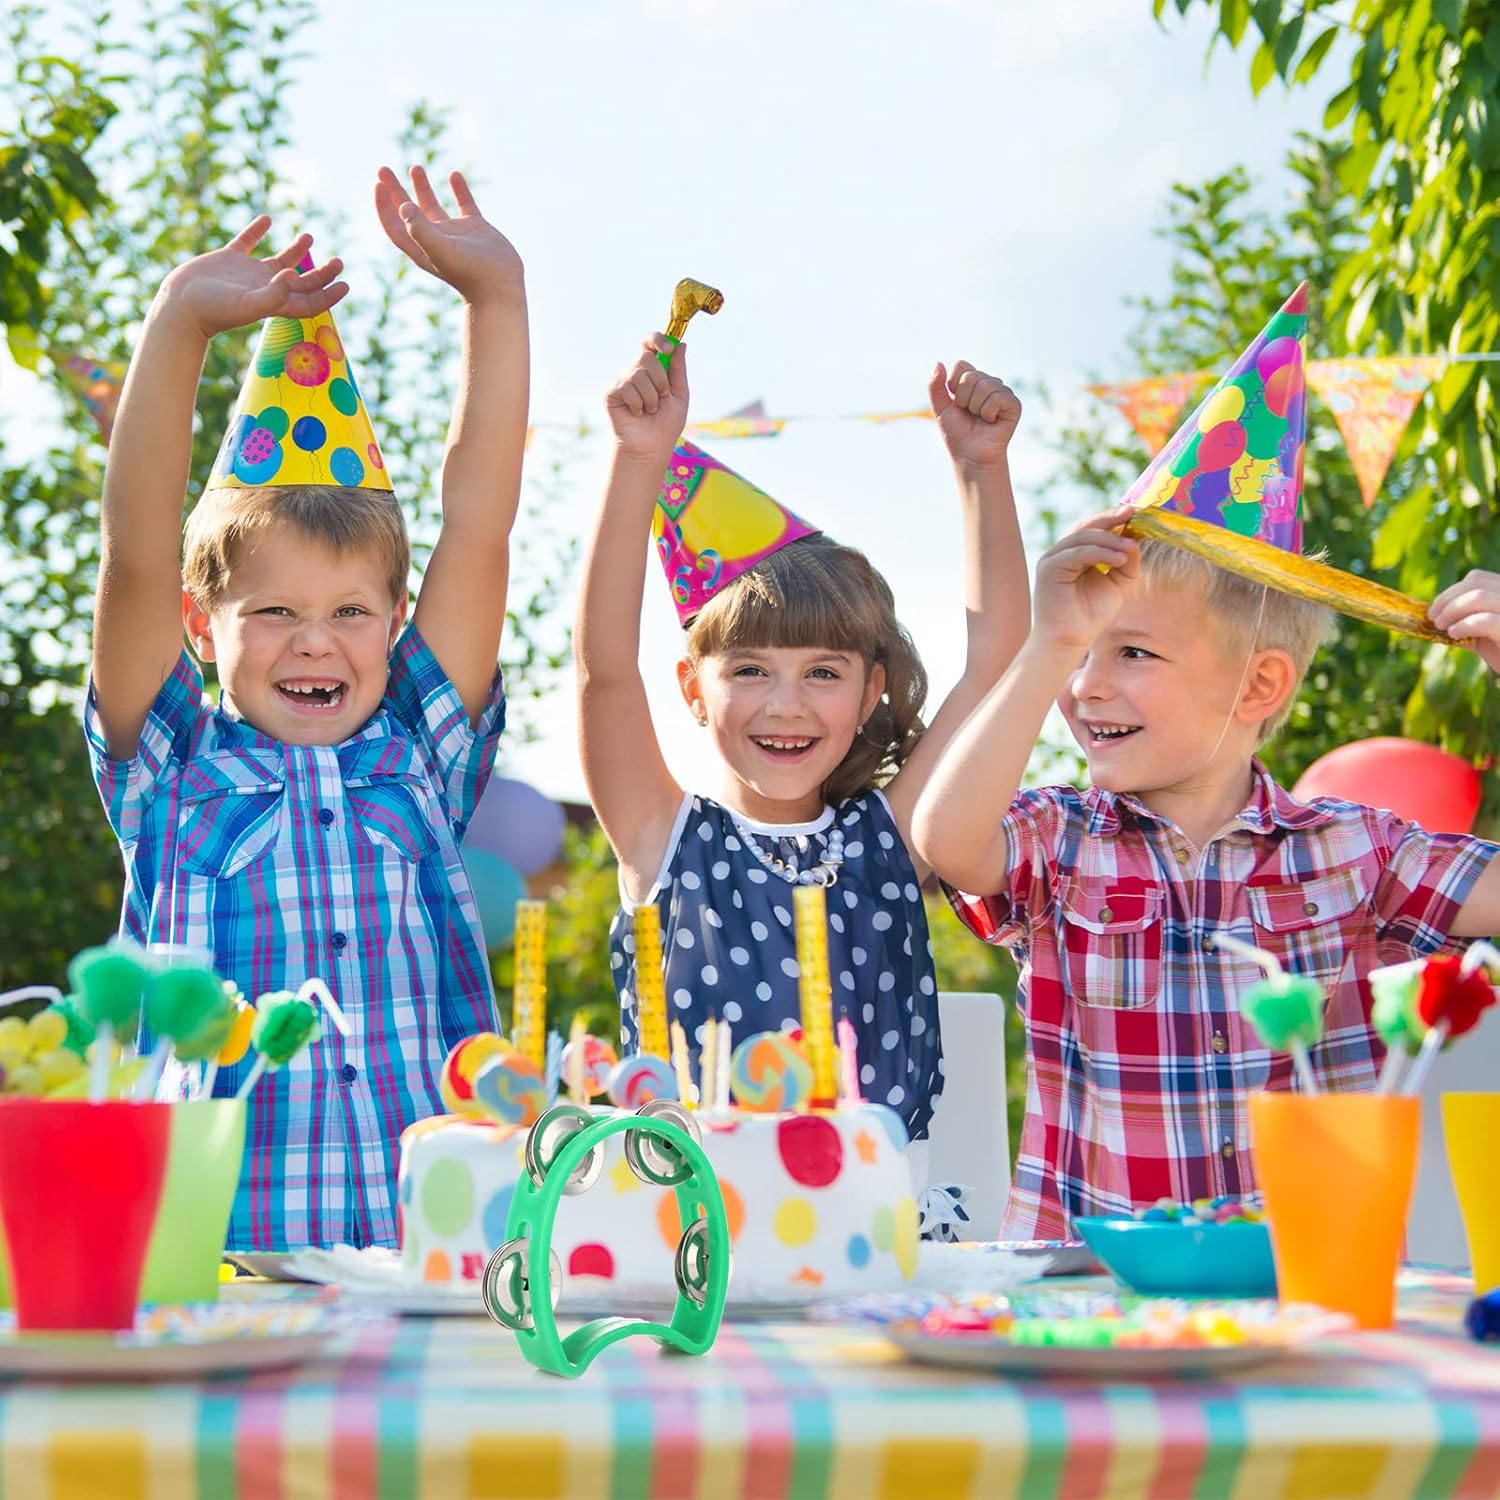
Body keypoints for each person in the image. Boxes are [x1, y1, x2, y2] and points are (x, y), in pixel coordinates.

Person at [85, 166, 530, 1250]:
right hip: (214, 1263)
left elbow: (478, 525)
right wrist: (181, 321)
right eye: (273, 611)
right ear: (204, 626)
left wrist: (497, 301)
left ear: (395, 620)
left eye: (349, 611)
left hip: (440, 1265)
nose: (316, 639)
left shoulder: (421, 750)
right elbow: (138, 553)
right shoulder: (173, 770)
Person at [911, 506, 1500, 1238]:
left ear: (1258, 687)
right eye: (1080, 653)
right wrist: (1047, 642)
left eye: (1132, 653)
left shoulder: (1360, 852)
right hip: (1090, 1296)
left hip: (1309, 1284)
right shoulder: (1058, 836)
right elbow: (946, 841)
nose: (1085, 685)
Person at [576, 330, 1029, 1150]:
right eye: (749, 670)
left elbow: (998, 662)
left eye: (823, 673)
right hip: (692, 1239)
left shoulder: (894, 839)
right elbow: (603, 668)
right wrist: (637, 458)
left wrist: (983, 472)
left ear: (870, 695)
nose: (786, 705)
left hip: (877, 1239)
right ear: (692, 691)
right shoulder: (661, 837)